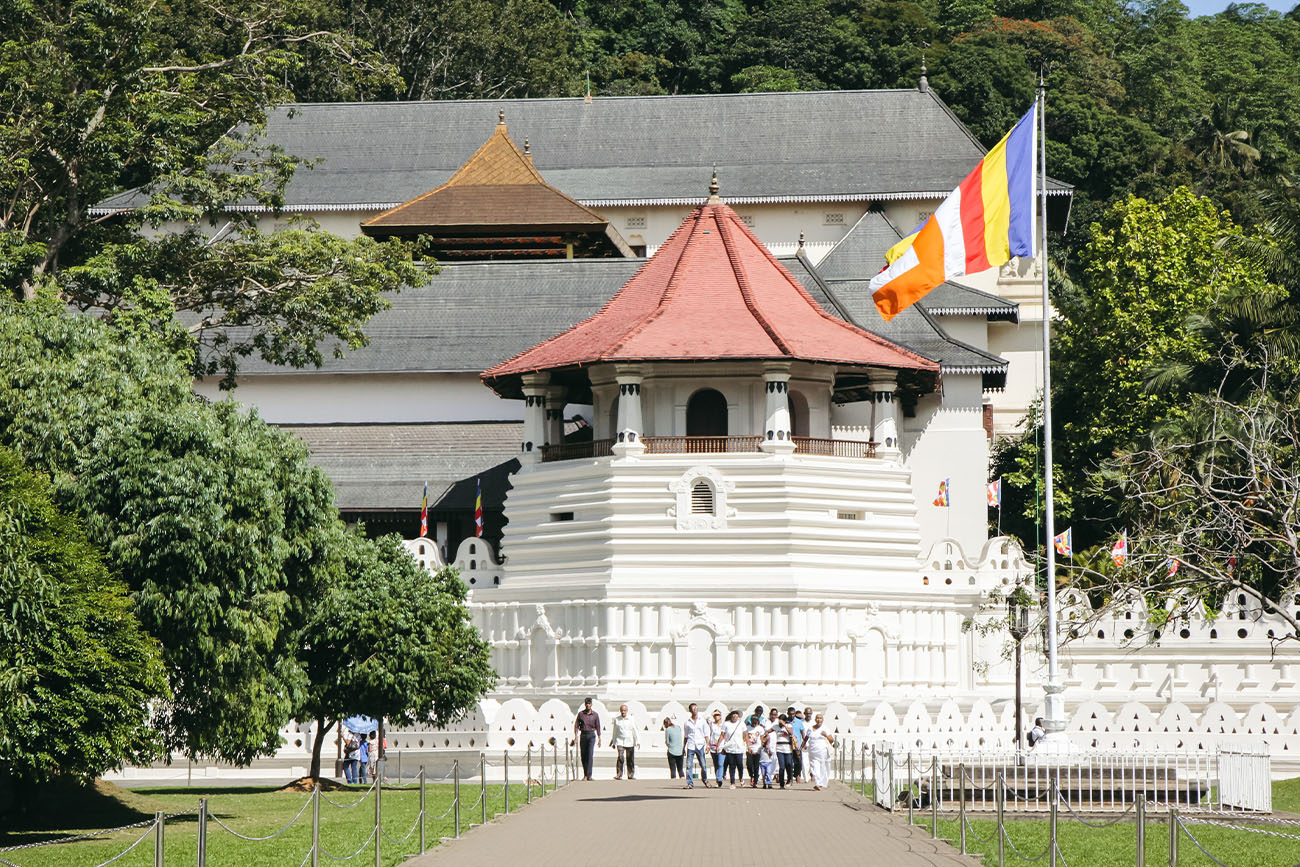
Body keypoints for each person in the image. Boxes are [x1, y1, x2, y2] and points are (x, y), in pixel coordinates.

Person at [683, 704, 710, 789]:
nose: (695, 710)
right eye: (693, 708)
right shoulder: (687, 722)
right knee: (689, 765)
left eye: (696, 708)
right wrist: (683, 747)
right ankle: (690, 783)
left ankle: (705, 780)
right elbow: (686, 736)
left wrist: (707, 744)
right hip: (691, 745)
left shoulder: (702, 721)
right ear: (690, 710)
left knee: (703, 765)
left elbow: (706, 734)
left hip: (700, 744)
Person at [574, 697, 601, 781]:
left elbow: (598, 726)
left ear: (591, 704)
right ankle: (585, 774)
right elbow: (576, 726)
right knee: (583, 755)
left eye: (589, 703)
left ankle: (589, 775)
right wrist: (575, 736)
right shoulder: (581, 714)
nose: (588, 705)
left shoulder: (595, 715)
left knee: (589, 755)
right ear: (585, 704)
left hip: (591, 735)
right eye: (586, 703)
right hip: (583, 734)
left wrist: (599, 738)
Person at [805, 713, 834, 790]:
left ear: (823, 720)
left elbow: (831, 740)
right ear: (815, 719)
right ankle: (818, 783)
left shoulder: (825, 729)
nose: (819, 720)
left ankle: (820, 783)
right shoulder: (810, 728)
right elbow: (806, 738)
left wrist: (826, 735)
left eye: (820, 718)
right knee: (814, 767)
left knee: (822, 767)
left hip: (822, 751)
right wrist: (801, 747)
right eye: (817, 718)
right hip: (812, 750)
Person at [611, 704, 638, 780]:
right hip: (620, 741)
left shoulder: (631, 719)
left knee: (630, 759)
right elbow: (615, 731)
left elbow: (635, 730)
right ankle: (619, 774)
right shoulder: (617, 719)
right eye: (622, 710)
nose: (623, 712)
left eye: (624, 710)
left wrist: (638, 741)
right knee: (620, 757)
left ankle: (631, 774)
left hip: (630, 741)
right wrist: (613, 742)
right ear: (620, 711)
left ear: (627, 711)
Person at [721, 710, 745, 788]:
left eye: (736, 714)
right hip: (730, 747)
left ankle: (741, 777)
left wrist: (746, 744)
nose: (735, 716)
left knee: (740, 764)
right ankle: (732, 782)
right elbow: (722, 735)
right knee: (732, 765)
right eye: (733, 714)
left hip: (739, 748)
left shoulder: (741, 724)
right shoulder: (726, 724)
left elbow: (745, 735)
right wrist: (719, 744)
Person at [774, 714, 797, 789]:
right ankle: (781, 783)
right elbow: (768, 731)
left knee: (789, 764)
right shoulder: (776, 726)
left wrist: (784, 725)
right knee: (782, 766)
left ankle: (789, 779)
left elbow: (791, 732)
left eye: (781, 720)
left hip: (787, 748)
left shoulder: (788, 725)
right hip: (779, 748)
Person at [706, 709, 726, 788]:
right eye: (715, 715)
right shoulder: (712, 724)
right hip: (713, 746)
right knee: (716, 764)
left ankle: (719, 779)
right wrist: (712, 713)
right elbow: (705, 717)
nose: (716, 716)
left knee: (721, 763)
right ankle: (718, 779)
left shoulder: (724, 725)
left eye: (718, 715)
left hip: (721, 746)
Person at [744, 714, 765, 787]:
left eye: (756, 720)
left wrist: (762, 748)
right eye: (753, 720)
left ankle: (755, 781)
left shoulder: (760, 729)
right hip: (749, 749)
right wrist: (748, 747)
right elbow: (745, 738)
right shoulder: (747, 728)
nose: (754, 722)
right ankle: (751, 776)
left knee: (756, 766)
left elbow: (762, 739)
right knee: (749, 765)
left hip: (757, 749)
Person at [788, 707, 807, 782]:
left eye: (793, 714)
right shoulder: (786, 721)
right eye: (790, 714)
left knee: (798, 762)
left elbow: (802, 732)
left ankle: (796, 774)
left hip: (797, 744)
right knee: (789, 762)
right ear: (788, 713)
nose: (792, 715)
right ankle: (791, 778)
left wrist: (804, 743)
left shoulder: (799, 722)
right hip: (788, 745)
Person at [759, 724, 776, 789]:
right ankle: (764, 783)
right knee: (763, 774)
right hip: (761, 762)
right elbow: (758, 754)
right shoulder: (760, 748)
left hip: (768, 762)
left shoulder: (768, 747)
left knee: (768, 773)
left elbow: (771, 754)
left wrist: (768, 749)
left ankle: (769, 783)